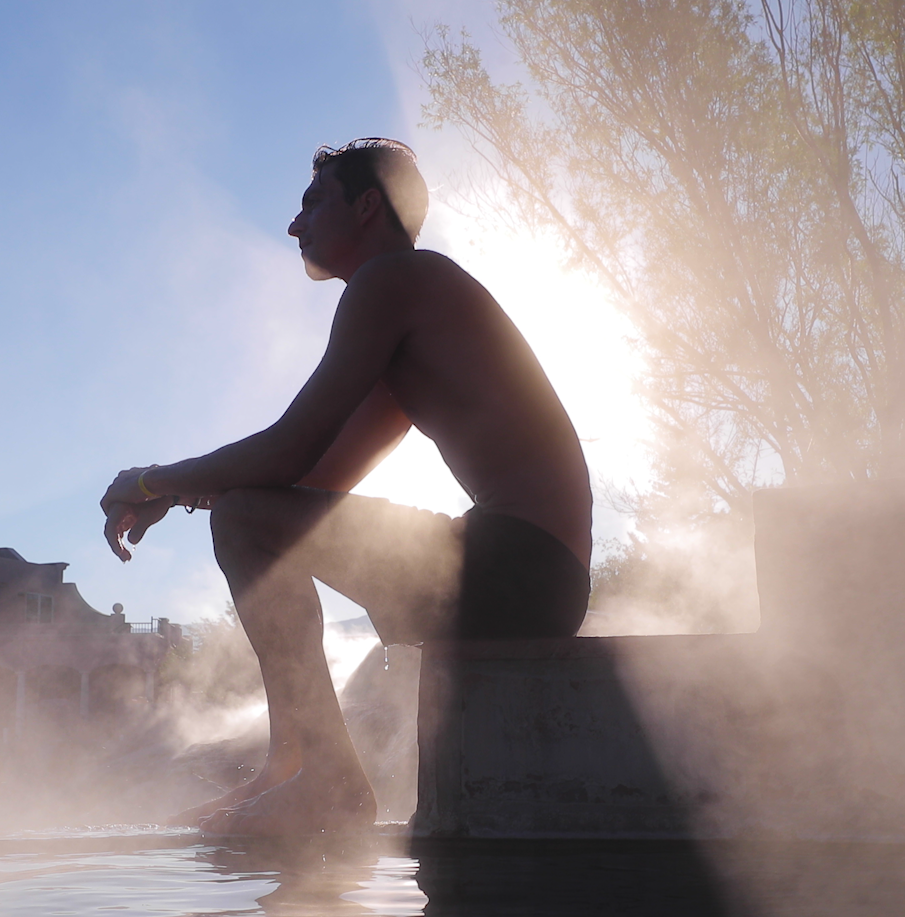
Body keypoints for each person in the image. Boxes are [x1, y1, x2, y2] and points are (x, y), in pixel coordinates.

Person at [100, 138, 591, 835]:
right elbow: (302, 485)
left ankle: (327, 780)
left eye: (311, 202)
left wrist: (149, 480)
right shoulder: (411, 312)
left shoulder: (393, 280)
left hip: (519, 566)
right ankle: (291, 766)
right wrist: (178, 495)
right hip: (538, 576)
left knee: (243, 520)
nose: (295, 225)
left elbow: (286, 450)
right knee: (247, 519)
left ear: (366, 207)